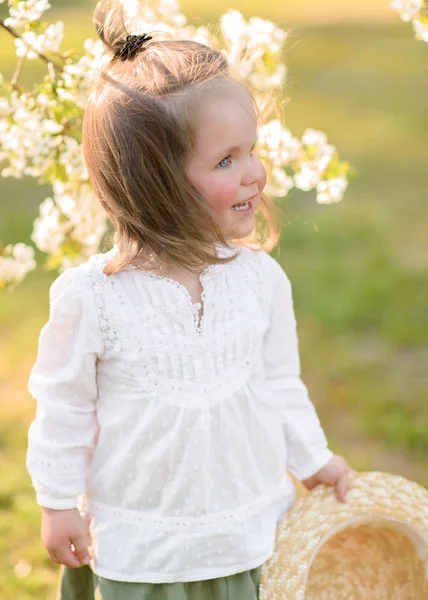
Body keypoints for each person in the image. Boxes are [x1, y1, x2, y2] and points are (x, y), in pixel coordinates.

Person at [26, 1, 352, 598]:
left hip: (247, 533)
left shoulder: (259, 282)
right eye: (227, 160)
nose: (254, 172)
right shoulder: (94, 297)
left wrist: (313, 459)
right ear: (156, 184)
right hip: (141, 550)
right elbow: (63, 410)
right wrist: (57, 502)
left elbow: (281, 386)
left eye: (251, 150)